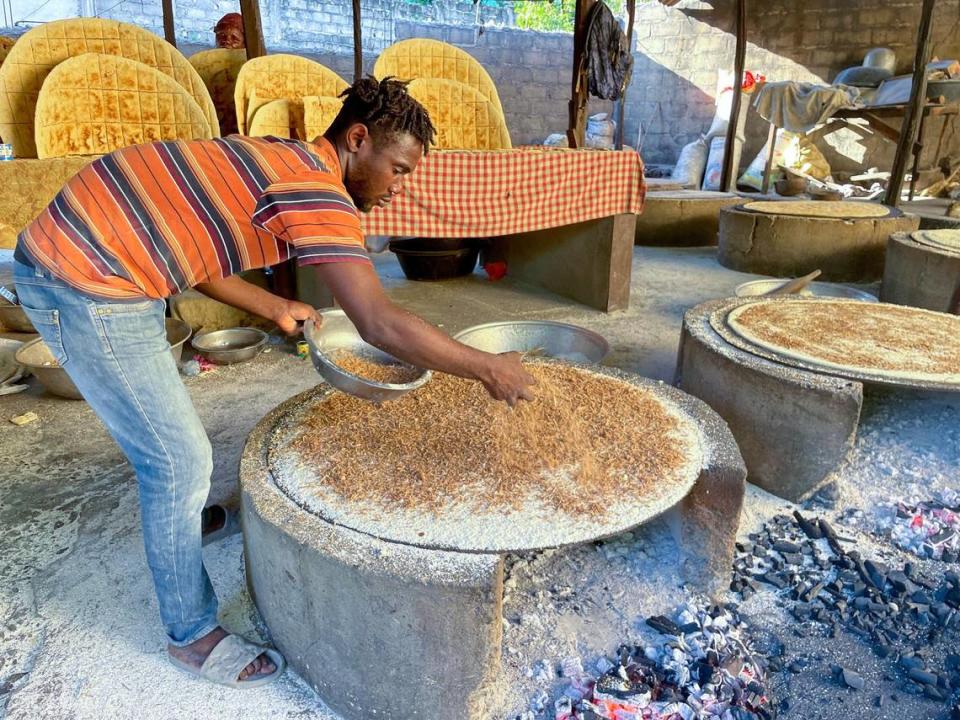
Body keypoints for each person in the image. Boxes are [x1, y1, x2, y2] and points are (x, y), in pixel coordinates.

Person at [13, 76, 535, 689]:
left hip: (99, 250)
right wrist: (486, 366)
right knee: (177, 460)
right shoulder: (317, 189)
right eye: (397, 170)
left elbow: (192, 254)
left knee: (171, 449)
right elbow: (379, 322)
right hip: (82, 278)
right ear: (358, 139)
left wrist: (270, 307)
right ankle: (191, 634)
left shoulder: (279, 159)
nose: (398, 189)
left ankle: (183, 525)